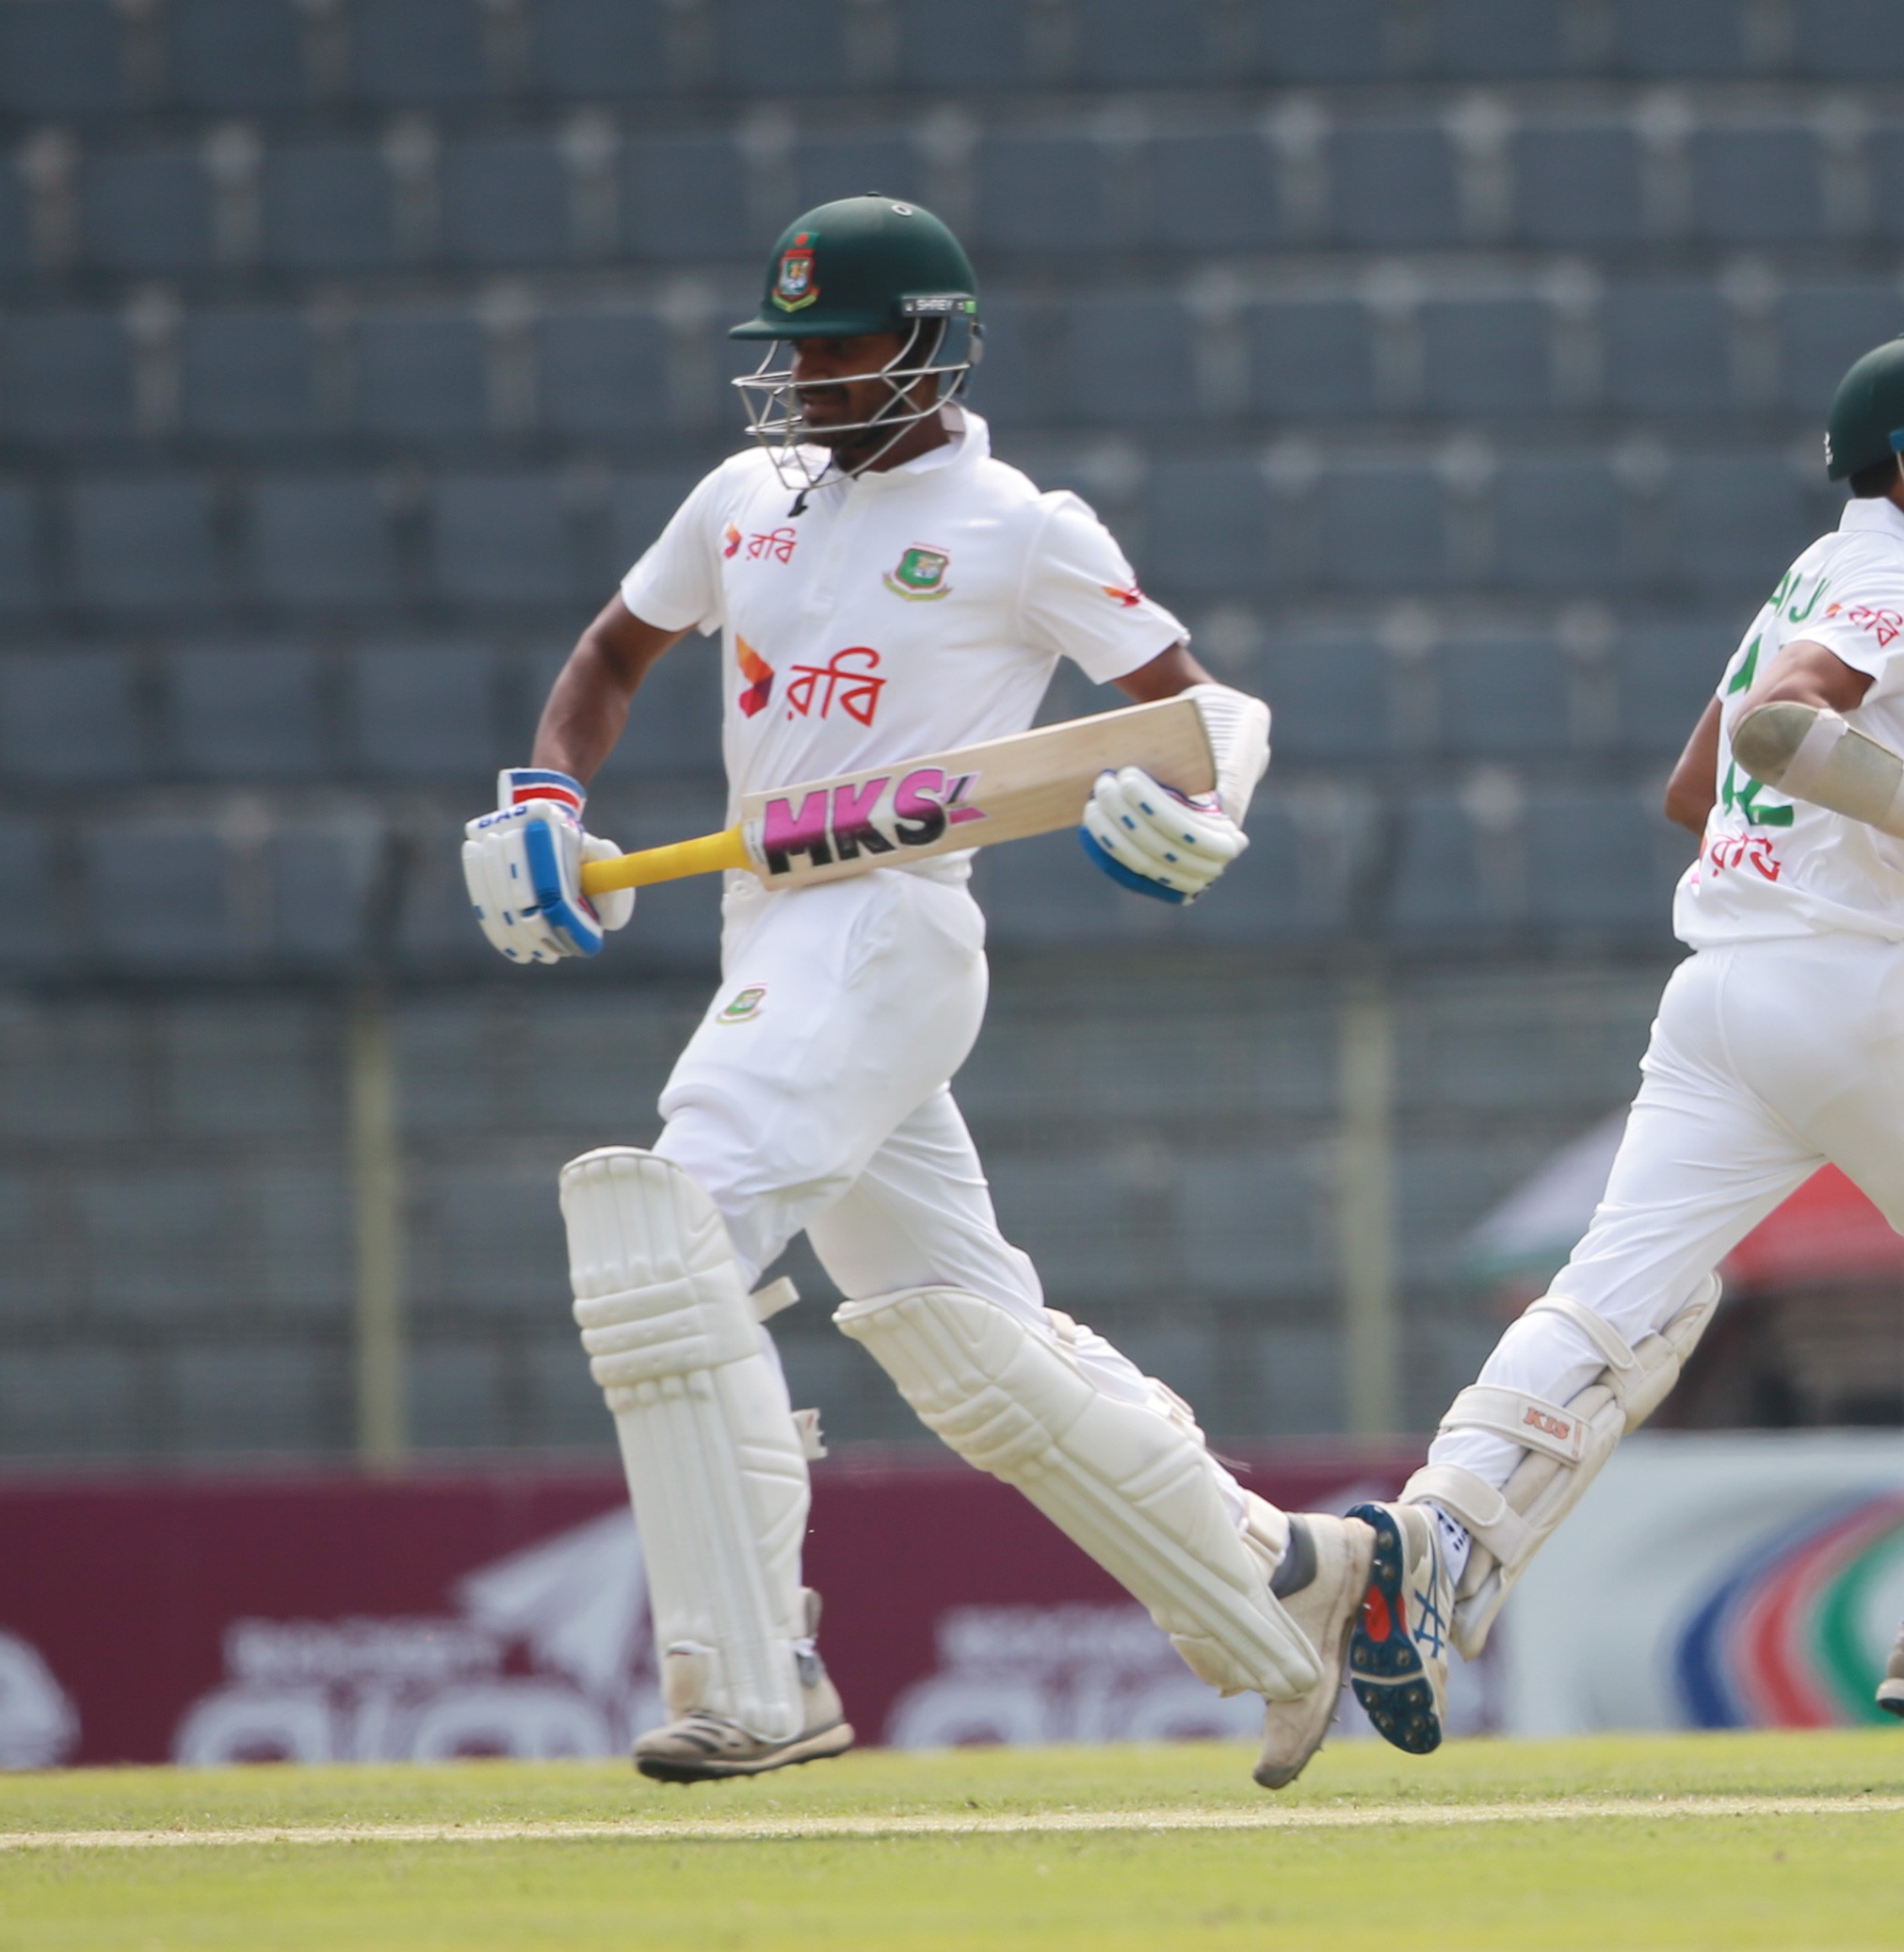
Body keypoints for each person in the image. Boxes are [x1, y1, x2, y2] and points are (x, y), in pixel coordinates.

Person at [459, 196, 1373, 1784]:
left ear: (932, 344)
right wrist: (547, 797)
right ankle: (1281, 1572)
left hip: (885, 923)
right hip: (774, 928)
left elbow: (1205, 708)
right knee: (965, 1336)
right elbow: (612, 654)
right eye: (789, 348)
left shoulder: (1025, 529)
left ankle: (755, 1679)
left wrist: (1202, 807)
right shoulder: (744, 497)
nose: (803, 376)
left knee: (664, 1237)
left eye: (837, 344)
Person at [1261, 332, 1904, 1785]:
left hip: (1718, 993)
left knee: (1609, 1303)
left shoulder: (1808, 572)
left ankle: (1429, 1539)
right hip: (1848, 991)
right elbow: (1783, 731)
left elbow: (1693, 784)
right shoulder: (1896, 580)